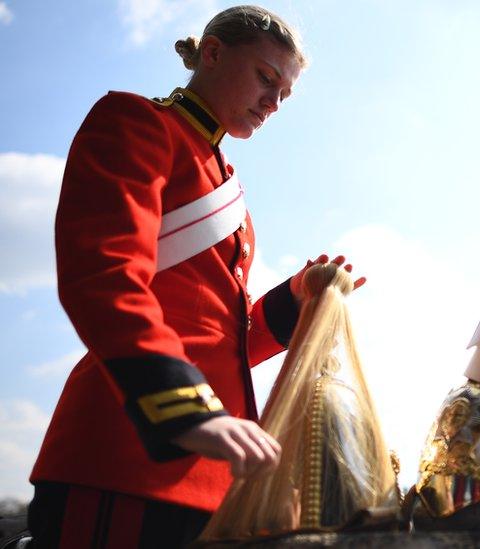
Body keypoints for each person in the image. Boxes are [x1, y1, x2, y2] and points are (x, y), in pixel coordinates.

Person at [27, 6, 361, 547]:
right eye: (266, 78)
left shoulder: (229, 186)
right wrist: (184, 412)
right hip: (126, 453)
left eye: (285, 95)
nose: (273, 103)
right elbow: (104, 274)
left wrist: (292, 301)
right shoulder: (136, 123)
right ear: (212, 53)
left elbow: (221, 341)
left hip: (218, 471)